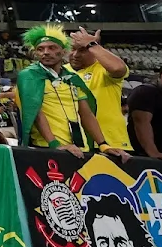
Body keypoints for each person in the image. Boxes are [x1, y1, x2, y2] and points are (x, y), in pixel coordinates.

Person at [14, 24, 129, 160]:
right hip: (48, 148)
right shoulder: (29, 75)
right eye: (40, 49)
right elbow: (36, 112)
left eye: (52, 48)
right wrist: (54, 144)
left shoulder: (71, 78)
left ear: (63, 51)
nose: (45, 52)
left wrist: (103, 144)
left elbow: (86, 113)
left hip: (79, 149)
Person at [65, 27, 131, 151]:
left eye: (83, 50)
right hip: (75, 144)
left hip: (111, 141)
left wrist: (91, 44)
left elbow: (117, 69)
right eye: (73, 49)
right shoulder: (62, 72)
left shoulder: (103, 69)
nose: (75, 55)